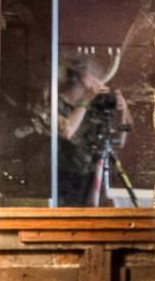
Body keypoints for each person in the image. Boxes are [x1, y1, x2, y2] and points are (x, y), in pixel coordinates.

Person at [55, 49, 130, 207]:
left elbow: (118, 141)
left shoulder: (94, 106)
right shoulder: (54, 102)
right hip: (63, 182)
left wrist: (123, 111)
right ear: (83, 78)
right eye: (94, 74)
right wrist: (87, 99)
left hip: (93, 181)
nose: (99, 80)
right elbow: (67, 131)